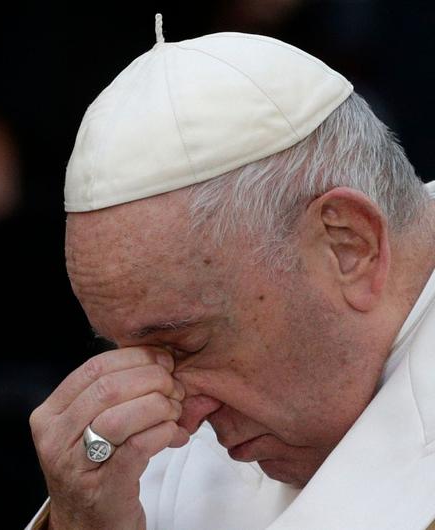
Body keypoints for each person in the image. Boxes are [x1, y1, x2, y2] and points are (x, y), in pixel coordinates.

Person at [26, 15, 435, 530]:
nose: (177, 419)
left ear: (348, 246)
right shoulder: (132, 461)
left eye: (186, 346)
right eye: (128, 356)